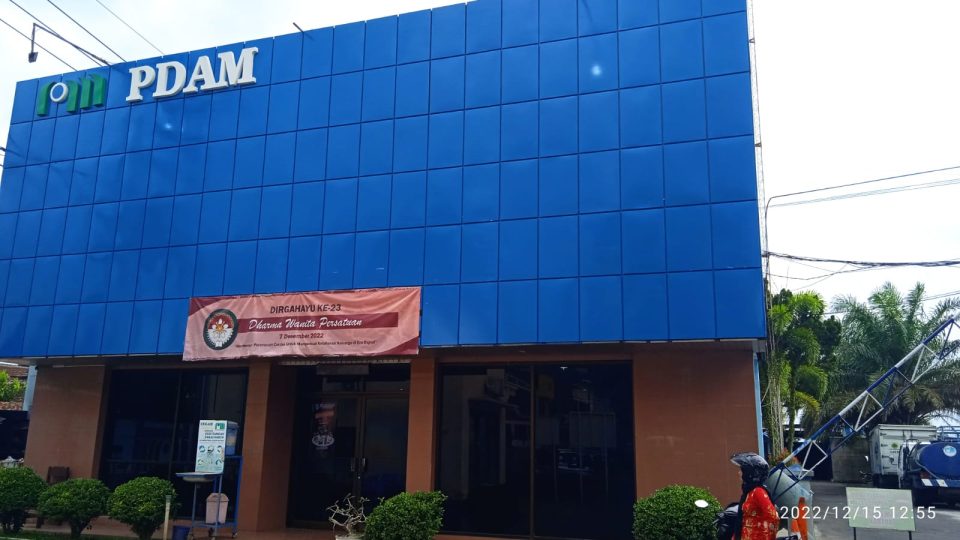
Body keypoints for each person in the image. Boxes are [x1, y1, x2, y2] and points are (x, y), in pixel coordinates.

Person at [731, 452, 780, 540]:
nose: (739, 473)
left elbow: (773, 517)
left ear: (749, 473)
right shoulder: (748, 492)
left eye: (742, 470)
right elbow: (742, 520)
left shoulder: (758, 492)